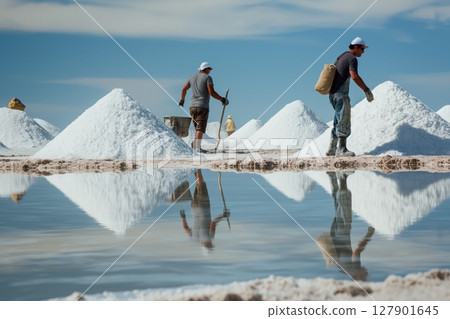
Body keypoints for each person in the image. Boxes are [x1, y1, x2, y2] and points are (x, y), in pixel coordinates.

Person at [326, 37, 374, 157]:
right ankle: (341, 149)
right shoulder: (352, 58)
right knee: (344, 119)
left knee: (338, 120)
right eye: (362, 49)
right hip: (341, 93)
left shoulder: (342, 56)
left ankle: (332, 149)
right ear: (356, 47)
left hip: (332, 94)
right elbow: (354, 76)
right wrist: (366, 90)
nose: (363, 52)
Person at [179, 62, 229, 153]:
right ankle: (197, 148)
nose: (210, 71)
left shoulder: (192, 77)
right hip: (202, 106)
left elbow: (183, 89)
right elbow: (211, 92)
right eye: (209, 69)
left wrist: (182, 100)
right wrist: (222, 99)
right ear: (206, 69)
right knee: (200, 128)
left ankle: (195, 145)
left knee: (197, 128)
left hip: (192, 107)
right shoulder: (207, 78)